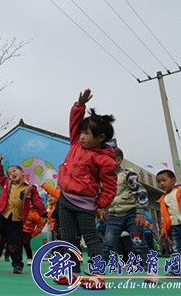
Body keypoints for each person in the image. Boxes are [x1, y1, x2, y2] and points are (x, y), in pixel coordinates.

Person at [55, 89, 117, 289]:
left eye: (87, 134)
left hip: (85, 205)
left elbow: (109, 187)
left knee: (91, 239)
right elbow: (74, 122)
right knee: (67, 237)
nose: (81, 136)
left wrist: (100, 204)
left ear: (101, 138)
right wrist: (79, 105)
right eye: (81, 132)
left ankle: (98, 277)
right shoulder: (75, 143)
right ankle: (71, 272)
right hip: (65, 200)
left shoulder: (104, 160)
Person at [101, 147, 156, 282]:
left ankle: (152, 272)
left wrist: (140, 212)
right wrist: (103, 210)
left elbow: (141, 193)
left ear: (118, 160)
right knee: (107, 244)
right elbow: (105, 197)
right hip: (114, 217)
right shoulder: (104, 179)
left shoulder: (127, 175)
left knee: (138, 243)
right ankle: (98, 272)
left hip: (133, 216)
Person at [156, 170, 181, 257]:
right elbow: (163, 217)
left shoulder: (179, 191)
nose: (161, 183)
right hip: (174, 227)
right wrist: (163, 230)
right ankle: (176, 269)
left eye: (164, 180)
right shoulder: (163, 199)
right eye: (158, 182)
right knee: (176, 248)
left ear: (173, 180)